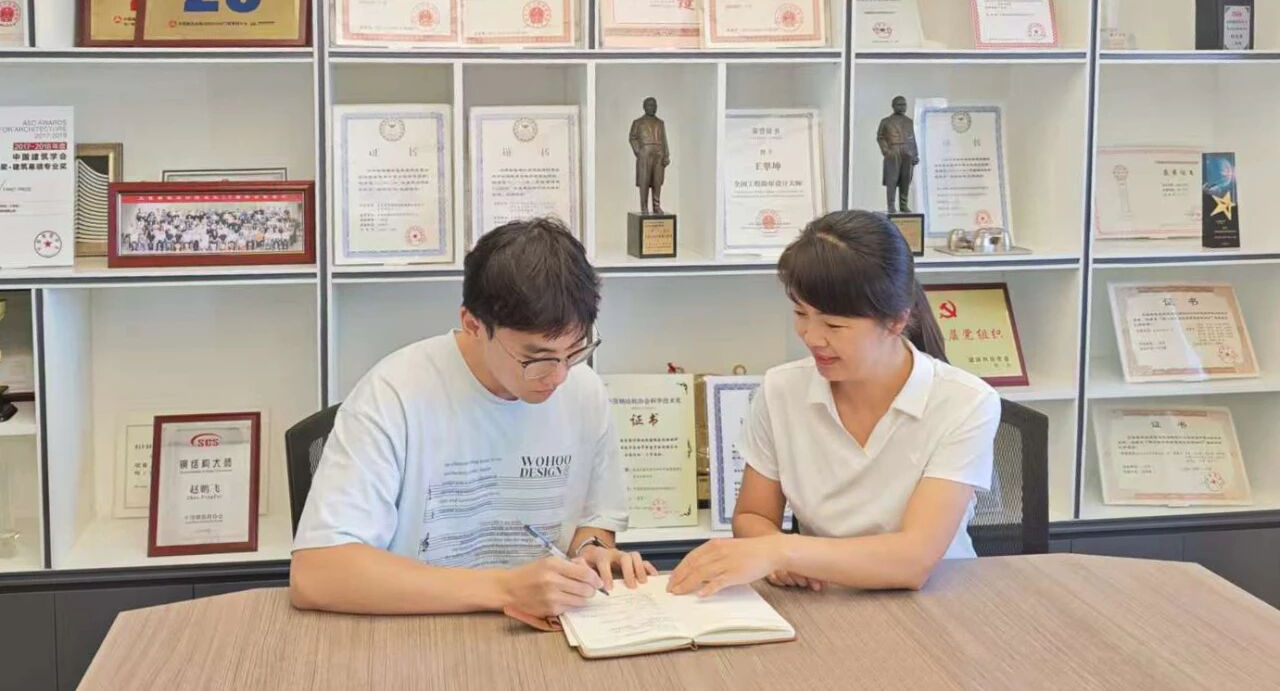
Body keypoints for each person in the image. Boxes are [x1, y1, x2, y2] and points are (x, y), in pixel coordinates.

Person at [291, 218, 655, 627]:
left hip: (545, 632)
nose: (557, 377)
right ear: (473, 324)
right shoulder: (394, 394)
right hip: (418, 630)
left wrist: (591, 551)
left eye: (574, 351)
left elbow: (594, 521)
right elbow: (317, 573)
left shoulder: (584, 390)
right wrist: (506, 589)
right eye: (535, 358)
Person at [668, 210, 999, 597]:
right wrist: (775, 555)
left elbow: (913, 560)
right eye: (800, 314)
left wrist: (783, 551)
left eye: (834, 325)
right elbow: (753, 515)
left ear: (896, 322)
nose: (811, 336)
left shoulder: (966, 403)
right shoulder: (781, 390)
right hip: (822, 600)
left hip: (938, 604)